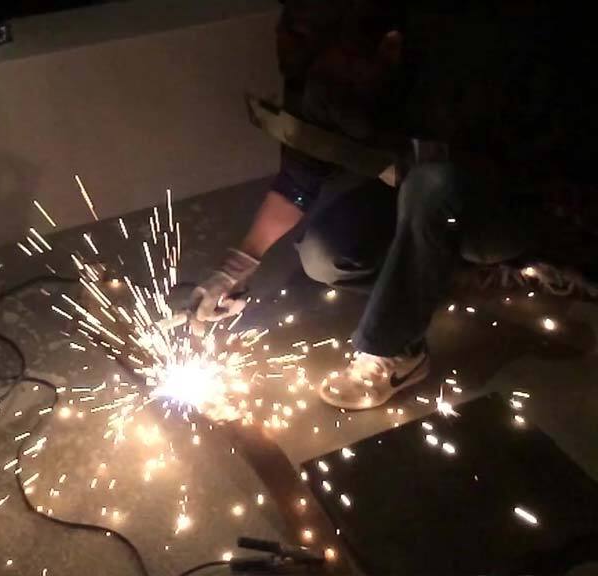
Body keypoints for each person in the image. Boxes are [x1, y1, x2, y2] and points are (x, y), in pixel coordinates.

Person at [191, 0, 547, 410]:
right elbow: (298, 182)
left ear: (389, 45)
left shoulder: (457, 61)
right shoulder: (328, 74)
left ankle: (391, 348)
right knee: (325, 255)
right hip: (415, 191)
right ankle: (428, 287)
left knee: (432, 182)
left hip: (494, 209)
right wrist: (238, 264)